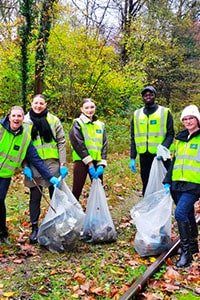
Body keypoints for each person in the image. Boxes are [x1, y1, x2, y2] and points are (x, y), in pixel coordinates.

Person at [0, 106, 60, 244]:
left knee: (0, 200)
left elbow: (36, 160)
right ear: (9, 117)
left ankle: (2, 232)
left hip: (5, 175)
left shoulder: (25, 138)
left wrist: (49, 177)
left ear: (23, 118)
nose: (16, 119)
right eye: (13, 116)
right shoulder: (1, 129)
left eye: (19, 116)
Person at [23, 94, 68, 244]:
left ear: (46, 104)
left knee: (56, 195)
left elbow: (61, 142)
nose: (38, 106)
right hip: (34, 164)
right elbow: (21, 146)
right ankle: (35, 227)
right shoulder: (25, 121)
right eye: (36, 103)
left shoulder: (53, 120)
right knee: (35, 197)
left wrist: (62, 164)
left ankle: (57, 224)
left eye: (41, 103)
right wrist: (25, 166)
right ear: (31, 103)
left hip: (52, 164)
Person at [163, 104, 200, 267]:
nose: (188, 121)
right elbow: (175, 161)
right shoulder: (180, 138)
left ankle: (186, 254)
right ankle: (193, 246)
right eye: (185, 119)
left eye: (191, 118)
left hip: (194, 184)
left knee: (180, 213)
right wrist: (167, 180)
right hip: (177, 183)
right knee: (189, 214)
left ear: (197, 119)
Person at [130, 86, 174, 195]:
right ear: (142, 98)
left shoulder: (164, 112)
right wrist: (132, 157)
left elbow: (170, 133)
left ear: (155, 96)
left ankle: (163, 207)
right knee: (146, 182)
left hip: (161, 155)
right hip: (144, 155)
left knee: (163, 182)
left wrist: (163, 148)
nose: (148, 97)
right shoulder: (137, 114)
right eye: (145, 95)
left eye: (151, 94)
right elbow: (133, 137)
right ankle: (147, 206)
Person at [69, 98, 108, 201]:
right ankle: (74, 213)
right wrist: (89, 164)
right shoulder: (78, 123)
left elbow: (104, 144)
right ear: (82, 109)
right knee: (77, 190)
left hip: (97, 162)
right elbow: (78, 143)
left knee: (99, 190)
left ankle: (97, 213)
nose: (89, 110)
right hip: (82, 161)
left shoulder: (100, 125)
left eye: (92, 107)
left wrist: (101, 164)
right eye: (86, 108)